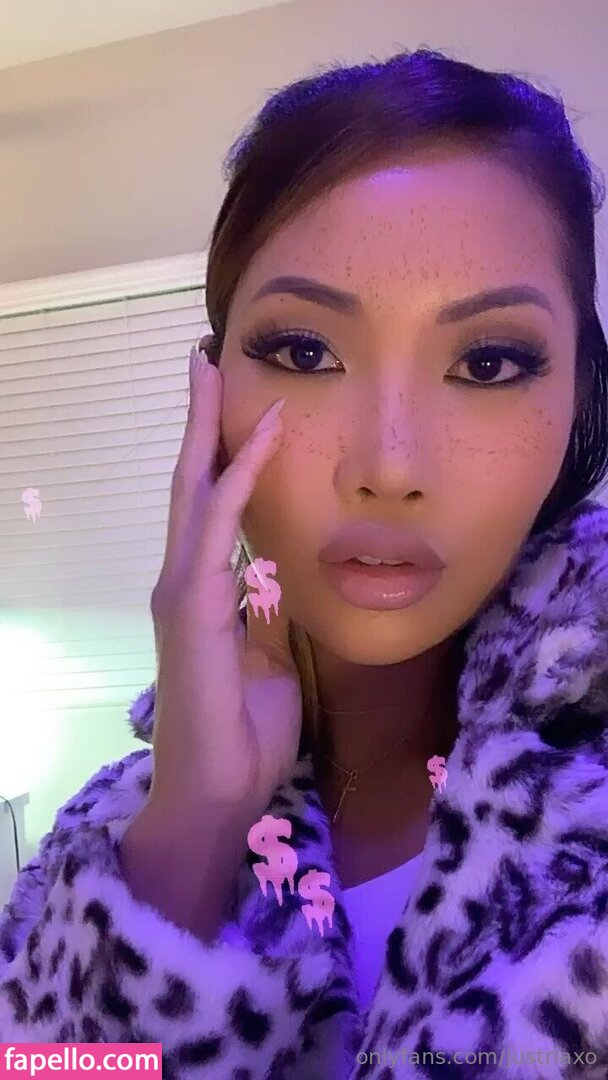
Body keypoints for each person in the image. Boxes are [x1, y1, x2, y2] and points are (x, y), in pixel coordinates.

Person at [1, 45, 608, 1080]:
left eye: (487, 362)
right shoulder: (100, 842)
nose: (390, 466)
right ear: (210, 397)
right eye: (304, 352)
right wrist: (188, 833)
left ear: (577, 404)